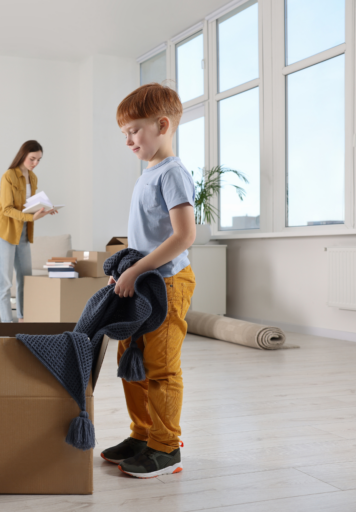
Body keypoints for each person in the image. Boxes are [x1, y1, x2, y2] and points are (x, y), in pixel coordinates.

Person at [100, 83, 197, 478]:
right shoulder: (149, 173)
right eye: (124, 133)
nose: (128, 140)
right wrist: (124, 269)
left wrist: (136, 270)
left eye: (134, 130)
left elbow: (183, 236)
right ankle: (142, 434)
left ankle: (165, 447)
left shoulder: (172, 173)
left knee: (160, 366)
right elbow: (146, 235)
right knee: (131, 360)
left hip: (167, 285)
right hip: (142, 283)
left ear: (162, 125)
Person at [0, 140, 57, 323]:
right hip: (5, 232)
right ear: (23, 155)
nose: (35, 163)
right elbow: (7, 209)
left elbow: (29, 206)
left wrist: (45, 209)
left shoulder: (33, 178)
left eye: (39, 160)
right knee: (5, 284)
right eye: (32, 159)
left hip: (24, 232)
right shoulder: (9, 176)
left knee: (26, 279)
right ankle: (6, 326)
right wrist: (30, 218)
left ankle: (23, 320)